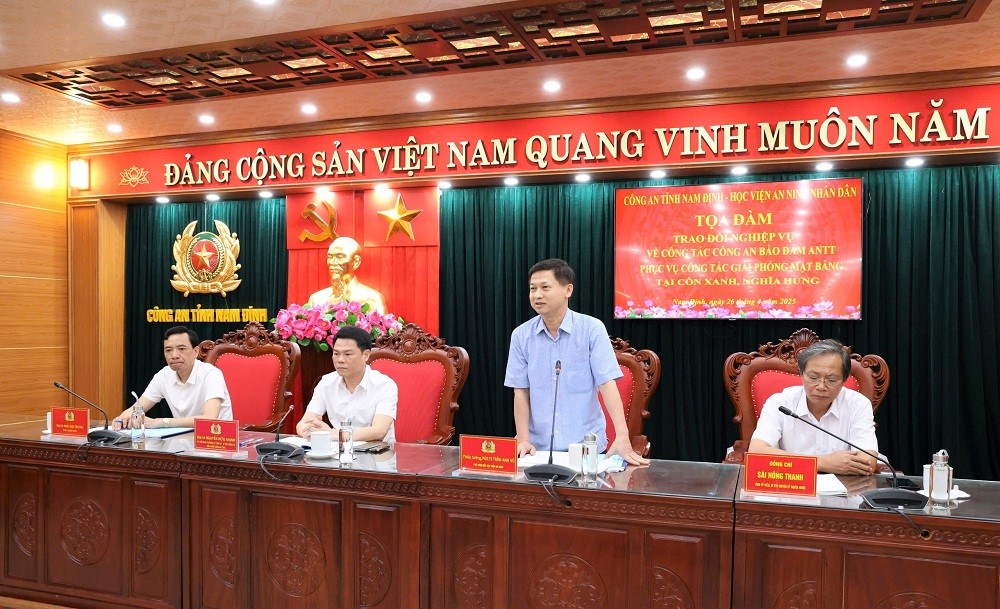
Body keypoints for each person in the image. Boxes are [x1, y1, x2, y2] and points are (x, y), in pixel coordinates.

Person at [504, 258, 648, 466]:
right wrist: (523, 438)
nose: (537, 295)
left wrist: (622, 435)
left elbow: (607, 384)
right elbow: (520, 391)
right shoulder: (521, 335)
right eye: (533, 288)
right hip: (538, 451)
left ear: (568, 290)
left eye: (545, 287)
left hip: (586, 450)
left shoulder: (591, 329)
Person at [748, 339, 878, 475]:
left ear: (844, 380)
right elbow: (756, 452)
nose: (821, 387)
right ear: (802, 374)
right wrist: (823, 463)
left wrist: (797, 462)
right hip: (791, 481)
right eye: (813, 377)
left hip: (842, 485)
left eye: (832, 380)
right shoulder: (780, 403)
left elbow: (867, 461)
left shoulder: (858, 405)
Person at [296, 325, 397, 442]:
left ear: (366, 355)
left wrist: (332, 434)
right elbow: (303, 424)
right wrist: (308, 429)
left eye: (348, 354)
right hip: (336, 450)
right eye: (336, 354)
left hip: (376, 451)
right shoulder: (326, 383)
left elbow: (378, 431)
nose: (340, 360)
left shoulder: (384, 385)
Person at [120, 326, 232, 428]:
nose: (174, 355)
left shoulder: (211, 374)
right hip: (181, 439)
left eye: (181, 349)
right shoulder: (163, 375)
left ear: (195, 352)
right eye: (168, 350)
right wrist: (123, 417)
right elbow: (136, 408)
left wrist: (160, 422)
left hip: (216, 438)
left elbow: (209, 419)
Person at [306, 236, 387, 314]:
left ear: (356, 262)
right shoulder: (316, 299)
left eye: (340, 257)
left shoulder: (373, 299)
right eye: (330, 257)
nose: (332, 262)